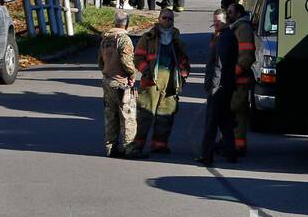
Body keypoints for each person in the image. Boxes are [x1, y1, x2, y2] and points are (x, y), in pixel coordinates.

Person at [131, 9, 191, 155]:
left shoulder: (177, 39)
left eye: (170, 19)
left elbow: (184, 59)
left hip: (171, 81)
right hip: (152, 81)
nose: (167, 21)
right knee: (145, 114)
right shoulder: (148, 37)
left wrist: (183, 74)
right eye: (164, 18)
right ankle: (136, 145)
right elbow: (138, 58)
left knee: (166, 114)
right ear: (158, 19)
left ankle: (159, 145)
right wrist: (146, 71)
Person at [198, 9, 238, 165]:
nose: (216, 24)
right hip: (225, 86)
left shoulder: (224, 38)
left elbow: (218, 65)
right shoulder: (224, 36)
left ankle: (206, 156)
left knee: (211, 123)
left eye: (219, 22)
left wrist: (213, 86)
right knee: (225, 121)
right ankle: (231, 154)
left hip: (219, 87)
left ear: (225, 21)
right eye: (214, 21)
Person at [97, 11, 137, 157]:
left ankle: (111, 147)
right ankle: (130, 148)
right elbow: (126, 62)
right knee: (128, 116)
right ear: (127, 23)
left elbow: (100, 62)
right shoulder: (124, 39)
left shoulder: (105, 39)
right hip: (121, 83)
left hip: (107, 80)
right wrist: (132, 74)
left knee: (110, 115)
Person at [225, 0, 254, 157]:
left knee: (237, 114)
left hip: (239, 81)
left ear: (238, 13)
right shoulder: (235, 28)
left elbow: (246, 55)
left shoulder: (243, 29)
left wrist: (234, 72)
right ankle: (229, 142)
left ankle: (238, 145)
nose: (227, 15)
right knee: (230, 113)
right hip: (233, 80)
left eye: (230, 12)